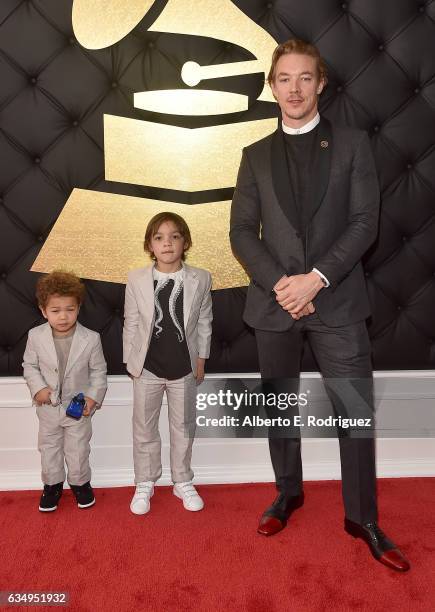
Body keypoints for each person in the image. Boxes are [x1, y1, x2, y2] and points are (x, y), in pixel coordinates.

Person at [230, 39, 410, 572]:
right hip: (274, 304)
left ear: (321, 84)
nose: (295, 88)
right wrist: (283, 285)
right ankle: (288, 494)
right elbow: (241, 232)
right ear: (272, 86)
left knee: (355, 415)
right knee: (279, 408)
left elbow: (364, 224)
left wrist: (316, 280)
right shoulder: (254, 155)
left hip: (338, 303)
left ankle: (364, 519)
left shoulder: (353, 145)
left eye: (305, 78)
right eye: (284, 78)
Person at [123, 212, 212, 515]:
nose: (167, 243)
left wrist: (201, 359)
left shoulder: (201, 277)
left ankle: (182, 480)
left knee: (184, 427)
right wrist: (131, 363)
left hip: (184, 367)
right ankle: (145, 481)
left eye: (175, 236)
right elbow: (131, 322)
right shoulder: (136, 278)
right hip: (146, 367)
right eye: (159, 237)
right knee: (144, 428)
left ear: (185, 242)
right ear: (150, 245)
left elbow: (204, 322)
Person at [23, 271, 107, 512]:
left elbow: (99, 372)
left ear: (78, 308)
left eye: (69, 309)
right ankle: (52, 485)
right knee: (48, 447)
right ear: (43, 310)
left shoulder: (91, 339)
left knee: (79, 447)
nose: (63, 316)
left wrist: (93, 397)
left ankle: (81, 483)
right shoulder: (35, 336)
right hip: (48, 408)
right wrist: (38, 388)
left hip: (78, 407)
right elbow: (29, 365)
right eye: (55, 310)